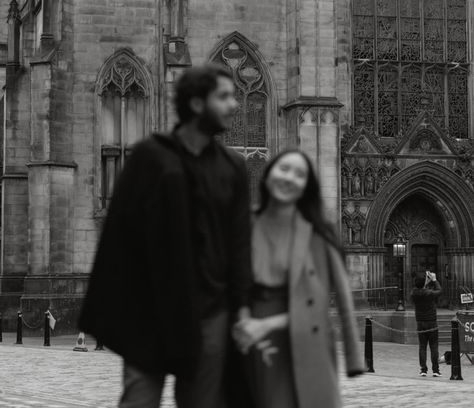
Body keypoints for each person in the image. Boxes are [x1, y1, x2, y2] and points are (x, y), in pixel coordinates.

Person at [78, 64, 252, 408]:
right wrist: (114, 310)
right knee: (140, 401)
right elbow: (119, 238)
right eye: (224, 96)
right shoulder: (150, 157)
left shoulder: (232, 167)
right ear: (198, 104)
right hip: (151, 311)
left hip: (209, 313)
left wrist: (243, 309)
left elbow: (239, 243)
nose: (234, 104)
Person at [232, 150, 364, 408]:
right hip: (250, 339)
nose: (289, 178)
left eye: (300, 174)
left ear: (307, 187)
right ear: (267, 173)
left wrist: (353, 355)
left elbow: (327, 304)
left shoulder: (318, 233)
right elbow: (232, 282)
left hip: (304, 339)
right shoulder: (243, 224)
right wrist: (244, 320)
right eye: (284, 169)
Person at [411, 271, 442, 377]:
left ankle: (423, 369)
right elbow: (439, 291)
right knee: (434, 347)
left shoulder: (414, 293)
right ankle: (435, 370)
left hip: (420, 322)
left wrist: (426, 283)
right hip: (431, 322)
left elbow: (421, 289)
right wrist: (434, 280)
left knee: (422, 347)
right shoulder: (429, 293)